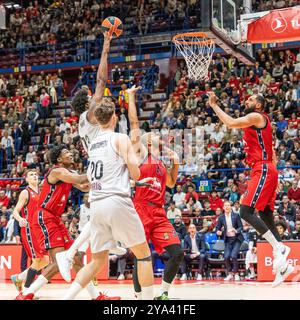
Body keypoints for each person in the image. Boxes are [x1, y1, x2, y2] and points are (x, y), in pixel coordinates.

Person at [62, 98, 154, 300]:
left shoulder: (93, 143)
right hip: (116, 201)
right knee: (143, 254)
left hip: (96, 203)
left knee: (96, 261)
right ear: (114, 117)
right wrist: (136, 163)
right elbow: (136, 173)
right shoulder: (120, 138)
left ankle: (66, 298)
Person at [56, 31, 125, 282]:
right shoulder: (90, 116)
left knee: (102, 213)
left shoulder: (82, 123)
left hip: (98, 163)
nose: (93, 95)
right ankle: (74, 251)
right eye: (90, 95)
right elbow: (102, 79)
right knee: (112, 203)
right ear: (87, 104)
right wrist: (106, 45)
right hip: (104, 162)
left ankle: (112, 238)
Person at [208, 92, 294, 287]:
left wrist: (214, 105)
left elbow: (230, 123)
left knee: (245, 211)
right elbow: (271, 150)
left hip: (262, 168)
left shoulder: (257, 116)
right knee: (266, 214)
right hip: (266, 169)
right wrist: (273, 173)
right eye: (246, 98)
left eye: (251, 99)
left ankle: (278, 247)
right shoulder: (258, 123)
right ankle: (283, 266)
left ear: (259, 105)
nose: (246, 100)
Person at [15, 146, 111, 300]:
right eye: (66, 152)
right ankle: (26, 294)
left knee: (76, 258)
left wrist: (103, 183)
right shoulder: (57, 171)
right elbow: (80, 179)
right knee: (59, 261)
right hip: (45, 217)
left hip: (55, 218)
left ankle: (96, 297)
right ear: (59, 159)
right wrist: (101, 166)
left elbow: (84, 186)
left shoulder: (68, 174)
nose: (71, 153)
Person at [127, 85, 184, 300]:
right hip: (141, 209)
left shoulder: (160, 161)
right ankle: (139, 296)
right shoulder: (141, 152)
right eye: (154, 135)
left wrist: (175, 163)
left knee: (177, 253)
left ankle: (164, 293)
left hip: (158, 212)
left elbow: (170, 183)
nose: (158, 137)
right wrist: (131, 96)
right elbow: (134, 123)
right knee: (142, 256)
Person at [11, 169, 48, 292]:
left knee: (45, 261)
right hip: (29, 230)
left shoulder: (41, 192)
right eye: (31, 175)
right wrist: (20, 219)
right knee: (37, 260)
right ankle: (27, 290)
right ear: (26, 179)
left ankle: (19, 277)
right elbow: (15, 211)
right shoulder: (25, 193)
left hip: (39, 230)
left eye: (36, 174)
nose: (34, 176)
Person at [216, 201, 244, 281]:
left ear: (231, 207)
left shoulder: (236, 215)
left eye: (228, 205)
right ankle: (230, 273)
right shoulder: (221, 217)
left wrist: (236, 230)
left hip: (236, 239)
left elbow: (240, 227)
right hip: (228, 239)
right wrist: (218, 232)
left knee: (233, 256)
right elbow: (218, 228)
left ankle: (236, 273)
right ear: (223, 208)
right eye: (225, 205)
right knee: (226, 256)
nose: (227, 207)